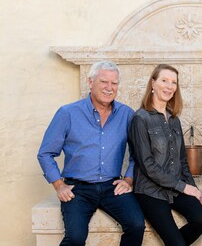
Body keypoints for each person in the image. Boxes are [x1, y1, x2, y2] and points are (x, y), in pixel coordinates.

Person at [37, 61, 145, 246]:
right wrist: (59, 185)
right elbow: (45, 153)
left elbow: (139, 153)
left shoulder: (126, 114)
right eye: (104, 81)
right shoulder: (68, 113)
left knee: (136, 225)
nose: (109, 88)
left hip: (112, 186)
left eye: (114, 83)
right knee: (76, 238)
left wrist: (128, 180)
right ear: (90, 81)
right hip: (78, 189)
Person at [128, 64, 202, 246]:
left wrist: (193, 189)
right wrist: (183, 187)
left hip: (175, 188)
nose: (169, 86)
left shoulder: (174, 119)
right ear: (153, 83)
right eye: (164, 80)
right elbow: (147, 164)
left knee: (201, 219)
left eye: (173, 83)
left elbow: (182, 160)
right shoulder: (140, 118)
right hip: (150, 191)